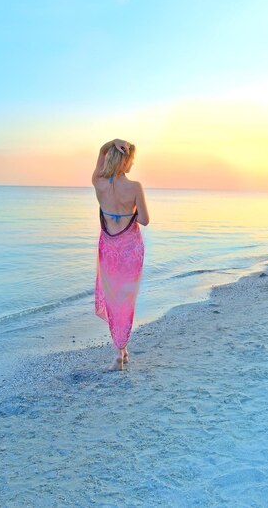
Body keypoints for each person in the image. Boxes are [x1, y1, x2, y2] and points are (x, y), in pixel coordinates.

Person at [92, 138, 149, 370]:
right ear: (125, 161)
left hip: (108, 248)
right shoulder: (135, 187)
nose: (132, 165)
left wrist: (111, 143)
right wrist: (129, 214)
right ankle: (121, 348)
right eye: (131, 161)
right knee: (126, 299)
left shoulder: (98, 183)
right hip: (130, 250)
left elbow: (101, 151)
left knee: (113, 298)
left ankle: (120, 351)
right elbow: (145, 220)